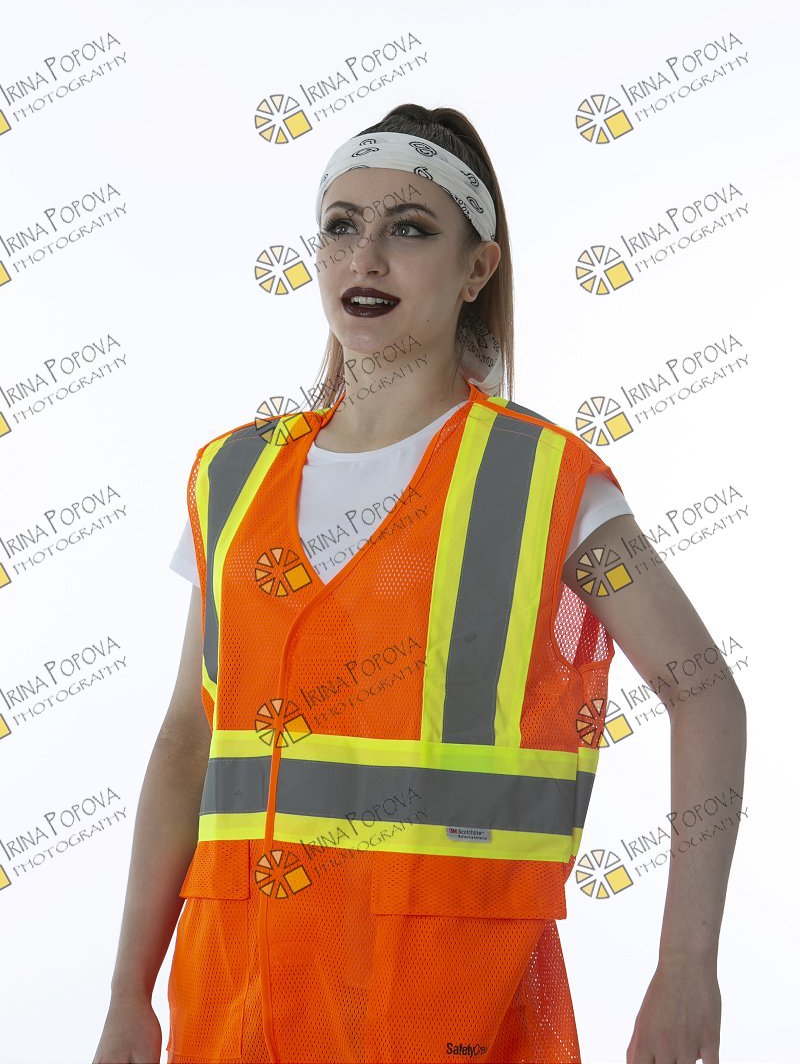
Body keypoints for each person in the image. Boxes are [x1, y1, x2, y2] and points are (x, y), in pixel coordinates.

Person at [93, 104, 746, 1064]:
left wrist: (687, 966)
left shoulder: (543, 484)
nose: (366, 256)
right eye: (341, 225)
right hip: (237, 1006)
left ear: (477, 269)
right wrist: (127, 995)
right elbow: (188, 740)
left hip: (452, 1011)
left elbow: (705, 694)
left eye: (408, 229)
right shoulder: (232, 479)